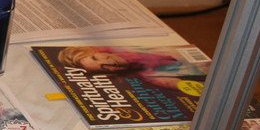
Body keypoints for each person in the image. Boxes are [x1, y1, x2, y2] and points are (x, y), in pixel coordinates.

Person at [57, 46, 207, 91]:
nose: (110, 63)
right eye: (103, 68)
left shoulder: (119, 47)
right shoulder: (151, 77)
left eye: (96, 58)